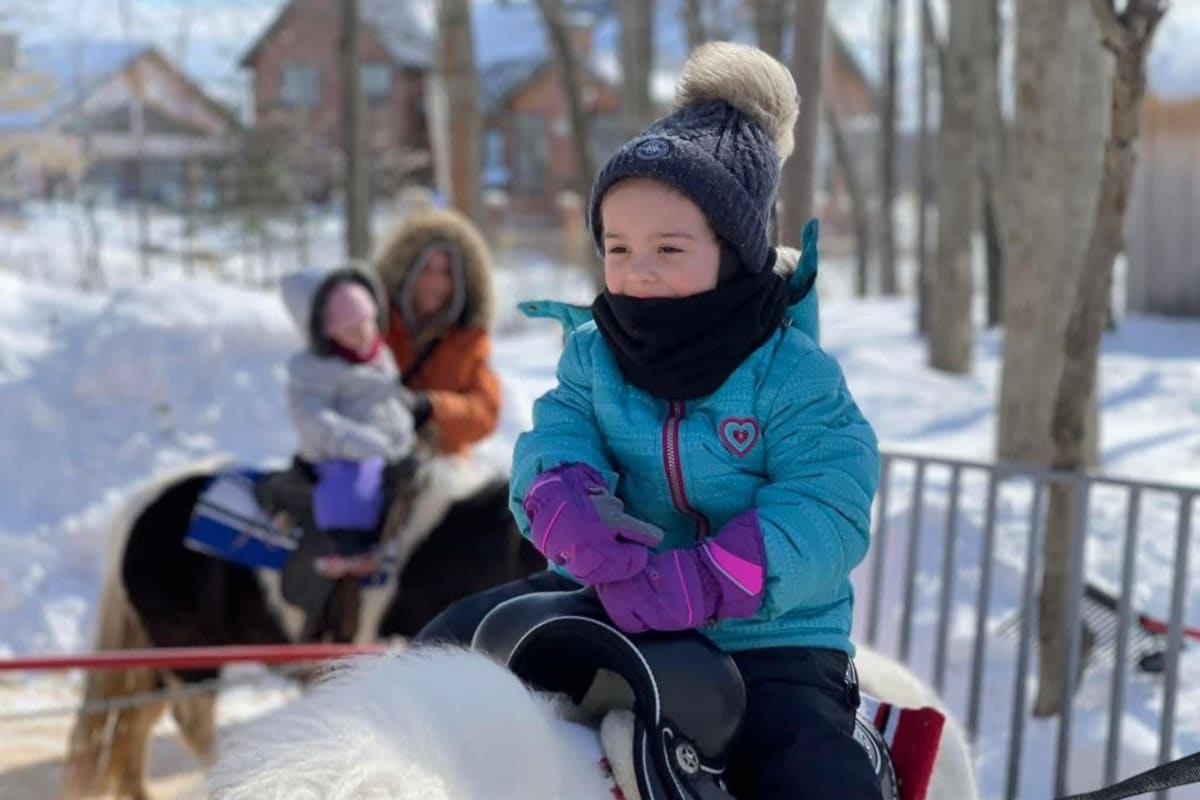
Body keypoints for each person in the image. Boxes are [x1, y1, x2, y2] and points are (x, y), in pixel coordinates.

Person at [413, 42, 882, 800]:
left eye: (670, 247)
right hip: (607, 597)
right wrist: (562, 501)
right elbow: (557, 435)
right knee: (440, 650)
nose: (638, 270)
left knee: (808, 771)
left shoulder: (792, 373)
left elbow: (829, 499)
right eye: (619, 247)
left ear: (735, 255)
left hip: (769, 635)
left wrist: (708, 576)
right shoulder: (595, 356)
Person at [271, 264, 419, 586]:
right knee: (352, 484)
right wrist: (357, 442)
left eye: (367, 324)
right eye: (352, 329)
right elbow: (311, 419)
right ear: (327, 332)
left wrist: (408, 415)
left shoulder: (378, 354)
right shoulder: (312, 368)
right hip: (341, 452)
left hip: (390, 445)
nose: (364, 335)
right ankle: (346, 545)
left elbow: (386, 398)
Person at [373, 206, 501, 456]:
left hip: (445, 468)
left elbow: (486, 413)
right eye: (425, 269)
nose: (434, 281)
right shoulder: (378, 329)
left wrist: (432, 406)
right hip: (384, 460)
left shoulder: (468, 337)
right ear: (406, 272)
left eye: (445, 272)